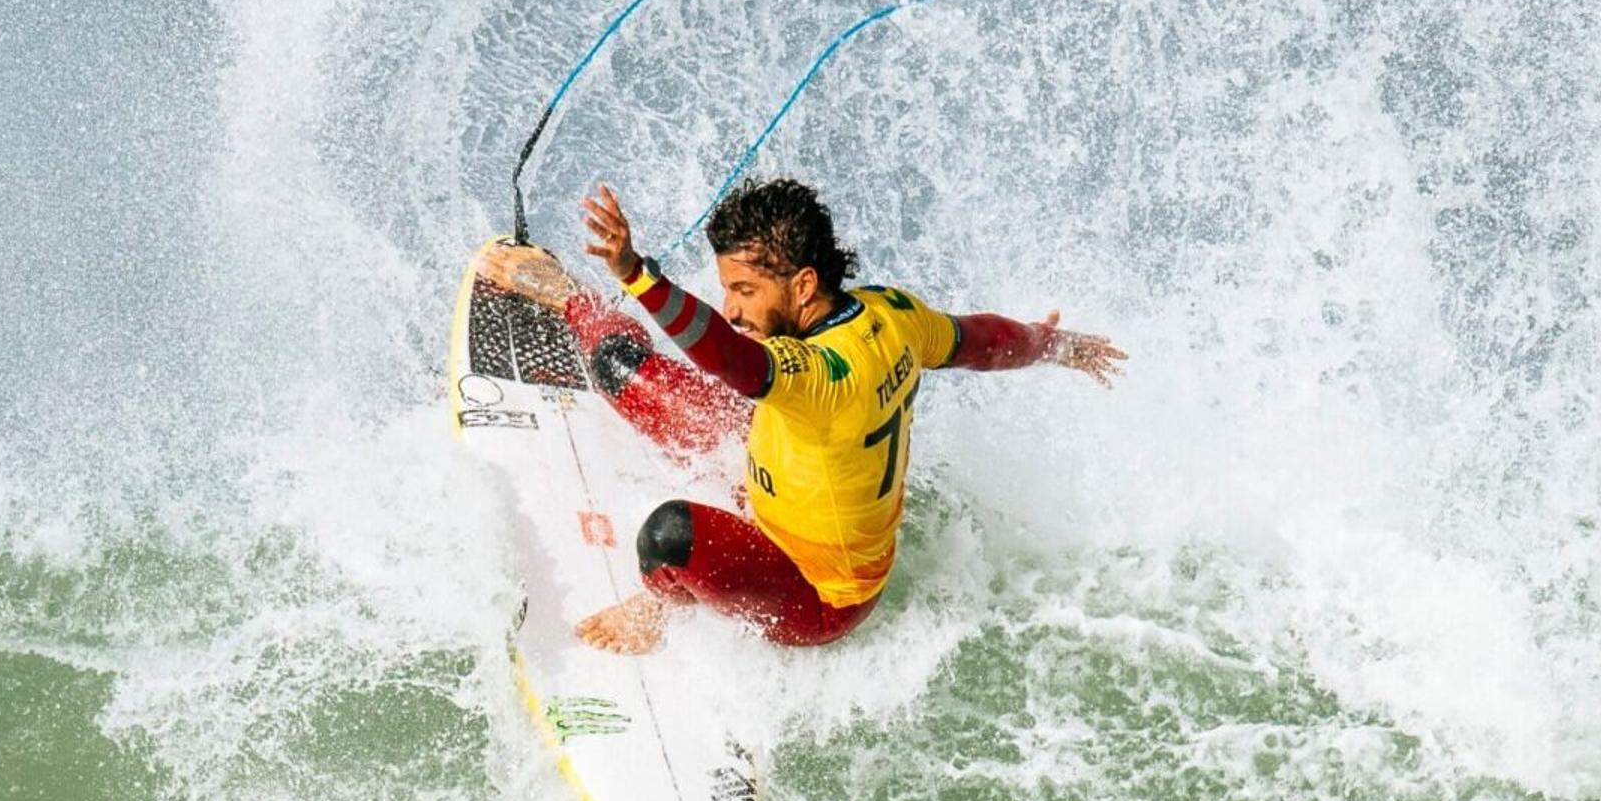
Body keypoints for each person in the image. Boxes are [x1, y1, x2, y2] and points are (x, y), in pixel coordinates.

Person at [475, 176, 1121, 653]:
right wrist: (1051, 343)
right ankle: (568, 297)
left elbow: (729, 358)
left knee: (670, 539)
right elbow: (976, 340)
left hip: (815, 594)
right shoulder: (890, 313)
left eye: (746, 290)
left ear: (804, 285)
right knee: (620, 367)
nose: (731, 307)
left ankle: (658, 610)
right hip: (775, 453)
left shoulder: (822, 375)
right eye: (729, 288)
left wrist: (640, 276)